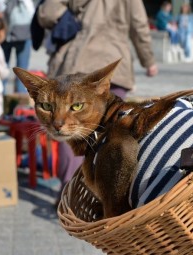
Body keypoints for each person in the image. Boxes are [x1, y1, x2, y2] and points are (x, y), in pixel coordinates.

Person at [36, 0, 158, 204]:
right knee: (109, 134)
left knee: (68, 133)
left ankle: (70, 195)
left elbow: (47, 13)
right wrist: (148, 60)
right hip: (112, 64)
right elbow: (139, 24)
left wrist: (70, 16)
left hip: (77, 59)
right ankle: (100, 197)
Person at [2, 0, 35, 93]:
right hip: (24, 36)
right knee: (22, 72)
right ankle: (20, 100)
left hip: (4, 34)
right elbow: (32, 13)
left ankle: (2, 100)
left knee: (2, 69)